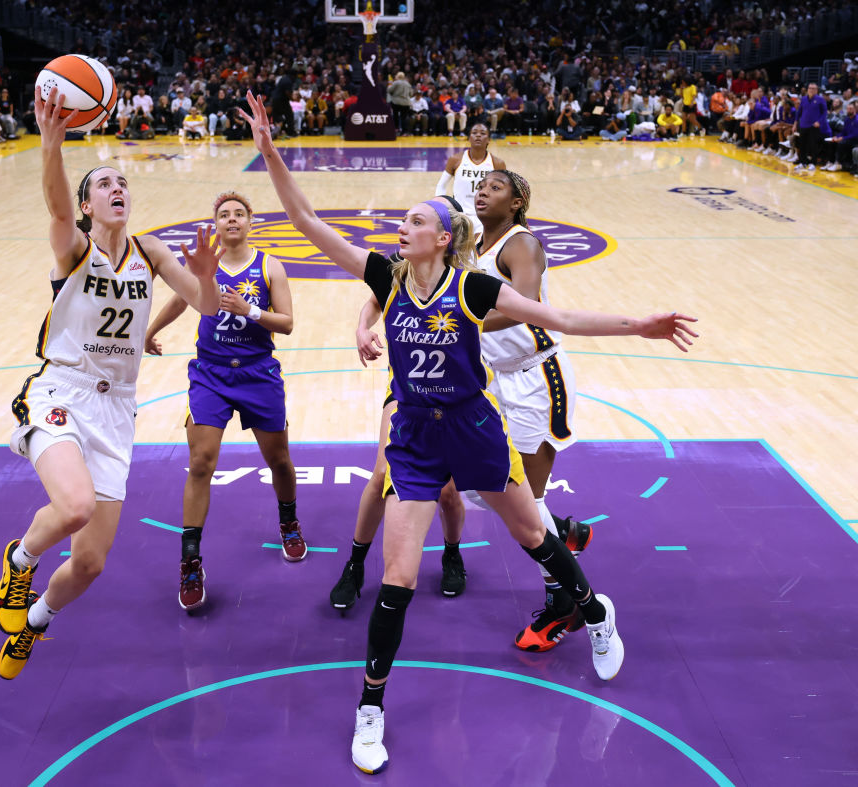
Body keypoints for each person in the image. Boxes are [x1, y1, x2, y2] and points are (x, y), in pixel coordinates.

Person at [238, 91, 698, 774]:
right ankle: (370, 709)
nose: (403, 225)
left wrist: (640, 325)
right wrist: (271, 150)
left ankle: (596, 611)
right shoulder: (386, 277)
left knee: (534, 535)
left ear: (443, 236)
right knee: (399, 576)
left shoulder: (474, 290)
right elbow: (305, 219)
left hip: (477, 429)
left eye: (416, 220)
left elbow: (560, 319)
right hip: (416, 441)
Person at [0, 86, 222, 680]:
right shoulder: (75, 250)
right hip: (62, 391)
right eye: (104, 185)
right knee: (73, 508)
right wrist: (51, 145)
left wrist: (207, 274)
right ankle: (20, 560)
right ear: (89, 206)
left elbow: (207, 306)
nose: (118, 189)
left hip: (117, 411)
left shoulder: (148, 252)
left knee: (90, 564)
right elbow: (57, 209)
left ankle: (36, 622)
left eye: (123, 184)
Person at [144, 191, 305, 613]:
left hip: (257, 372)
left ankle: (288, 521)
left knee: (280, 460)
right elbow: (182, 299)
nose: (231, 219)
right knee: (201, 463)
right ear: (215, 224)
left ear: (251, 222)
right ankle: (190, 561)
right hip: (211, 374)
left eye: (238, 214)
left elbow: (287, 324)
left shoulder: (270, 266)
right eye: (223, 214)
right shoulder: (206, 264)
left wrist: (250, 311)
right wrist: (149, 331)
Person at [472, 169, 595, 652]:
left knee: (524, 500)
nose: (483, 191)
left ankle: (564, 603)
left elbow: (523, 304)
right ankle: (565, 532)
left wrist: (462, 319)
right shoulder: (478, 243)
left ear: (518, 201)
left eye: (495, 187)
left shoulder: (521, 246)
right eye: (480, 186)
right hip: (502, 377)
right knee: (480, 489)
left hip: (536, 379)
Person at [329, 194, 469, 612]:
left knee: (447, 491)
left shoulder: (467, 280)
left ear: (448, 235)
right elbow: (376, 299)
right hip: (407, 390)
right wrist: (361, 328)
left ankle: (452, 552)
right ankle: (354, 564)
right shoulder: (403, 265)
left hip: (454, 396)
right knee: (379, 476)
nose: (406, 227)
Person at [436, 123, 506, 234]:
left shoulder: (497, 163)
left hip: (485, 216)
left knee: (480, 250)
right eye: (474, 133)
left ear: (488, 139)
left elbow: (504, 192)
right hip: (460, 215)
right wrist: (441, 208)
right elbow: (441, 185)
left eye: (483, 133)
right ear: (469, 138)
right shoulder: (456, 159)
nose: (478, 136)